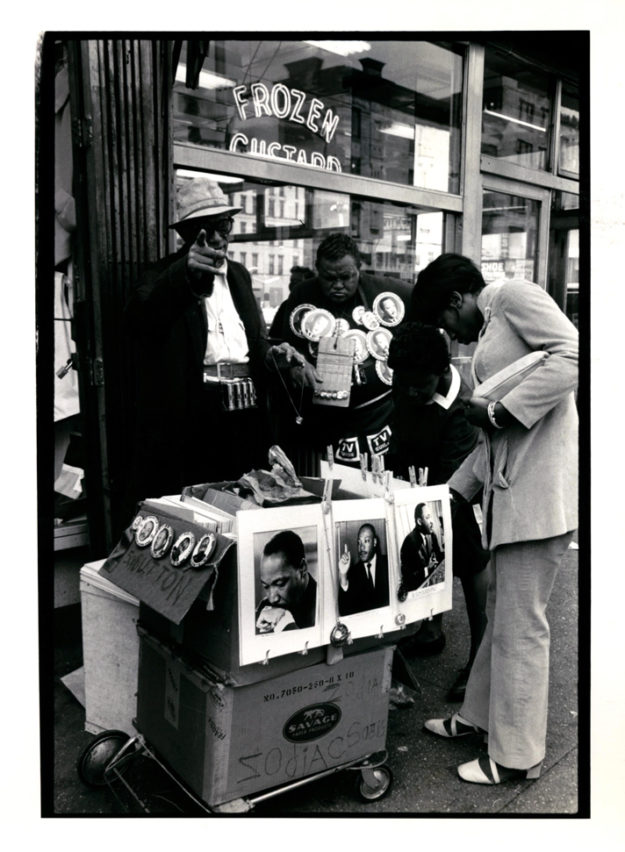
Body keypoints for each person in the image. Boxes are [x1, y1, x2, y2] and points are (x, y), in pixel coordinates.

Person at [410, 253, 578, 785]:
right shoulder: (494, 321)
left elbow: (576, 354)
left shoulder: (513, 297)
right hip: (516, 496)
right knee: (501, 615)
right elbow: (492, 440)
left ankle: (515, 756)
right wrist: (453, 493)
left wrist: (501, 410)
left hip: (537, 500)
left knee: (521, 628)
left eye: (445, 321)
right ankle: (478, 718)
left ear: (456, 300)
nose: (450, 335)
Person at [123, 176, 303, 518]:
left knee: (247, 502)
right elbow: (141, 321)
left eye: (224, 225)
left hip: (245, 411)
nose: (219, 237)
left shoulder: (238, 274)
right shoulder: (162, 274)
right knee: (202, 507)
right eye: (207, 228)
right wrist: (185, 277)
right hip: (197, 412)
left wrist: (273, 352)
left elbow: (252, 340)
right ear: (186, 234)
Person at [386, 321, 490, 701]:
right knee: (423, 554)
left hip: (462, 490)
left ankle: (479, 660)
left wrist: (425, 502)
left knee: (470, 563)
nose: (410, 391)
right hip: (417, 476)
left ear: (442, 372)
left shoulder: (463, 403)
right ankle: (430, 631)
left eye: (420, 385)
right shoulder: (408, 386)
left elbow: (455, 477)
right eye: (403, 383)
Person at [269, 234, 412, 471]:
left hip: (380, 420)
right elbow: (283, 352)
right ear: (317, 271)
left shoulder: (386, 291)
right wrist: (295, 367)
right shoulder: (301, 296)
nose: (337, 285)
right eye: (329, 278)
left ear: (359, 269)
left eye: (346, 277)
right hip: (323, 424)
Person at [255, 530, 317, 632]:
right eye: (266, 586)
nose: (272, 599)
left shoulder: (325, 604)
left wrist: (286, 624)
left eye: (280, 584)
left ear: (302, 568)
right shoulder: (265, 606)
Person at [337, 523, 390, 616]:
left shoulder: (388, 564)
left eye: (366, 541)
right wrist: (343, 575)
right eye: (359, 542)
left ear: (374, 542)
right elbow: (344, 611)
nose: (361, 547)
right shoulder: (353, 573)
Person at [399, 502, 444, 591]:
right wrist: (427, 569)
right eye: (427, 518)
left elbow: (439, 555)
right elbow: (408, 577)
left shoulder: (432, 534)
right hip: (417, 588)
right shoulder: (409, 543)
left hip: (431, 583)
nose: (431, 521)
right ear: (419, 521)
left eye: (430, 516)